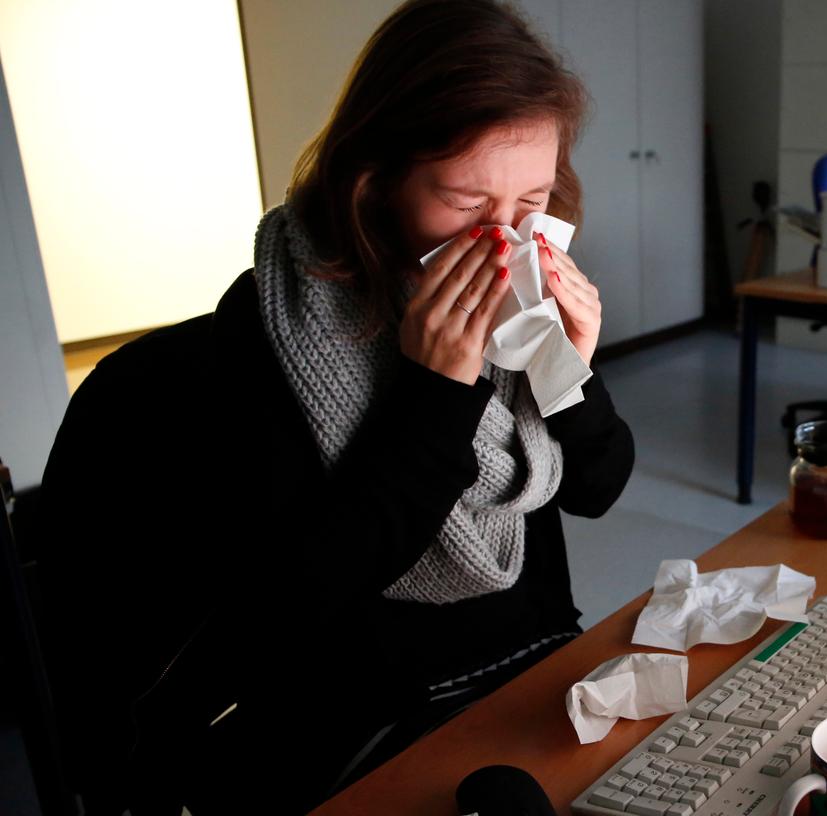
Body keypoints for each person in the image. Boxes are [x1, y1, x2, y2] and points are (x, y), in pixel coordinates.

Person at [37, 1, 633, 813]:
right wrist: (435, 394)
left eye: (532, 201)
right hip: (346, 744)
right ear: (372, 181)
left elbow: (597, 485)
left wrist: (571, 370)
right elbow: (293, 604)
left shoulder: (518, 322)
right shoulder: (205, 377)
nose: (507, 246)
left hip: (523, 701)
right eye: (464, 204)